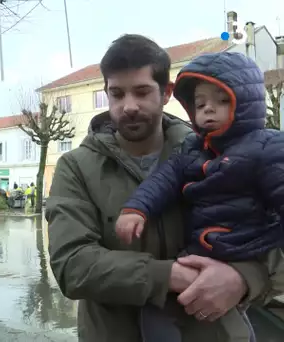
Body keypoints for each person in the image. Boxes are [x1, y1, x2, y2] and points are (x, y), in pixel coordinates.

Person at [46, 34, 280, 342]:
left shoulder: (222, 153)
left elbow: (272, 239)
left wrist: (244, 278)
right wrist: (169, 276)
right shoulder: (75, 167)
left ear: (167, 92)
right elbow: (72, 265)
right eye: (116, 94)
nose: (129, 106)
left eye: (142, 92)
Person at [114, 51, 284, 341]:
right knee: (158, 310)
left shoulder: (267, 147)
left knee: (234, 317)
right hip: (199, 250)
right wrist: (136, 208)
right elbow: (163, 180)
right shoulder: (191, 148)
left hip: (243, 248)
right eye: (200, 103)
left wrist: (249, 273)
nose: (207, 110)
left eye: (221, 101)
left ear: (246, 103)